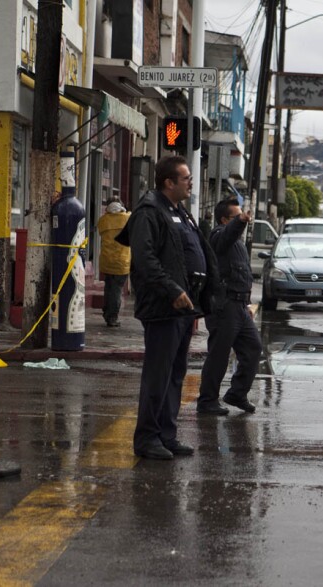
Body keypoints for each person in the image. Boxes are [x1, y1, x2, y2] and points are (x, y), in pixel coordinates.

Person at [115, 155, 219, 460]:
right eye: (186, 178)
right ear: (168, 182)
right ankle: (147, 438)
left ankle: (166, 434)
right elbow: (146, 260)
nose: (191, 184)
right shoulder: (149, 213)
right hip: (163, 307)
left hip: (184, 308)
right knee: (158, 375)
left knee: (176, 374)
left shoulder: (180, 212)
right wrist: (172, 289)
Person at [196, 198, 263, 416]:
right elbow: (228, 235)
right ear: (225, 220)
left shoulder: (238, 243)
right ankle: (207, 400)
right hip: (224, 306)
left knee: (253, 347)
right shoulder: (218, 236)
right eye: (236, 216)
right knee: (219, 355)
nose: (242, 220)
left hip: (240, 307)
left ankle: (237, 393)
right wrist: (240, 222)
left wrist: (248, 305)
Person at [97, 200, 131, 327]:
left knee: (108, 288)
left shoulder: (104, 220)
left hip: (106, 260)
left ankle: (107, 312)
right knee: (117, 290)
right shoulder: (127, 218)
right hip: (122, 262)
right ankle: (112, 317)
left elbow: (100, 230)